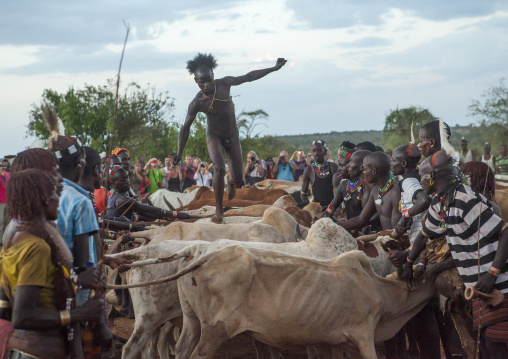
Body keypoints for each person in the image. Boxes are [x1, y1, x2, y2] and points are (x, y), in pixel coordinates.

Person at [403, 150, 508, 359]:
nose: (420, 181)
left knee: (497, 348)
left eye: (422, 175)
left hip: (499, 286)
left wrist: (493, 273)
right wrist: (407, 262)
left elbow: (505, 232)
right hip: (479, 290)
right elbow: (424, 235)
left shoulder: (465, 199)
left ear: (432, 176)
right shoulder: (440, 204)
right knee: (486, 348)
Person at [0, 170, 104, 359]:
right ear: (43, 199)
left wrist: (74, 282)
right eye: (55, 193)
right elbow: (22, 316)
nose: (59, 198)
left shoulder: (15, 240)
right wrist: (78, 314)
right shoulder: (37, 248)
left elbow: (4, 306)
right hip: (37, 351)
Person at [173, 53, 287, 223]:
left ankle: (232, 182)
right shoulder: (197, 103)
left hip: (232, 135)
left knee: (239, 179)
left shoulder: (224, 84)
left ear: (213, 75)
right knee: (218, 167)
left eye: (209, 80)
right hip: (214, 135)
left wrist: (273, 68)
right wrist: (179, 152)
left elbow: (248, 77)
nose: (206, 85)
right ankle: (219, 212)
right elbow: (185, 128)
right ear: (196, 82)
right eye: (201, 82)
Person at [338, 152, 402, 232]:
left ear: (374, 171)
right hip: (386, 238)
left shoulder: (395, 192)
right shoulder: (376, 191)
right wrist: (334, 225)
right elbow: (361, 219)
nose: (363, 172)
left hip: (397, 241)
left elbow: (397, 231)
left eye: (364, 169)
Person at [107, 165, 191, 222]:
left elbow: (143, 213)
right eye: (122, 180)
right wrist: (174, 214)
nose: (127, 181)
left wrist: (164, 216)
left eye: (127, 178)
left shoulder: (115, 196)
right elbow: (148, 209)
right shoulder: (122, 200)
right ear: (113, 184)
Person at [322, 150, 370, 221]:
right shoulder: (343, 185)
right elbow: (331, 208)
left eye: (341, 165)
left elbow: (365, 219)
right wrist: (320, 220)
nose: (338, 169)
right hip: (350, 228)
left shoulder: (367, 187)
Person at [300, 140, 338, 209]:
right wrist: (312, 208)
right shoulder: (308, 170)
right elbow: (303, 194)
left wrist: (333, 207)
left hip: (333, 208)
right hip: (318, 209)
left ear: (325, 151)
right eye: (314, 151)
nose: (316, 153)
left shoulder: (333, 167)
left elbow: (339, 190)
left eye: (319, 150)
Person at [0, 158, 9, 240]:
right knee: (1, 221)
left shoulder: (8, 174)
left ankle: (5, 240)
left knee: (7, 221)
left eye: (5, 163)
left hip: (8, 201)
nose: (4, 164)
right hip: (0, 202)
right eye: (2, 162)